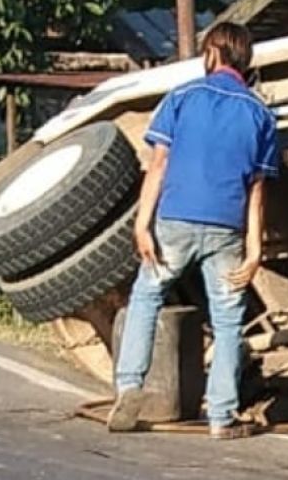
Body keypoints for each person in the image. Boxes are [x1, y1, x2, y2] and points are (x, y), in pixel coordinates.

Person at [107, 23, 277, 439]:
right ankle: (222, 417)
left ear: (214, 52)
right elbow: (257, 192)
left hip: (175, 222)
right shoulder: (260, 114)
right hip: (227, 229)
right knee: (227, 321)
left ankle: (130, 388)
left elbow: (159, 165)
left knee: (147, 297)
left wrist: (141, 224)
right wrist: (255, 251)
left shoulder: (181, 97)